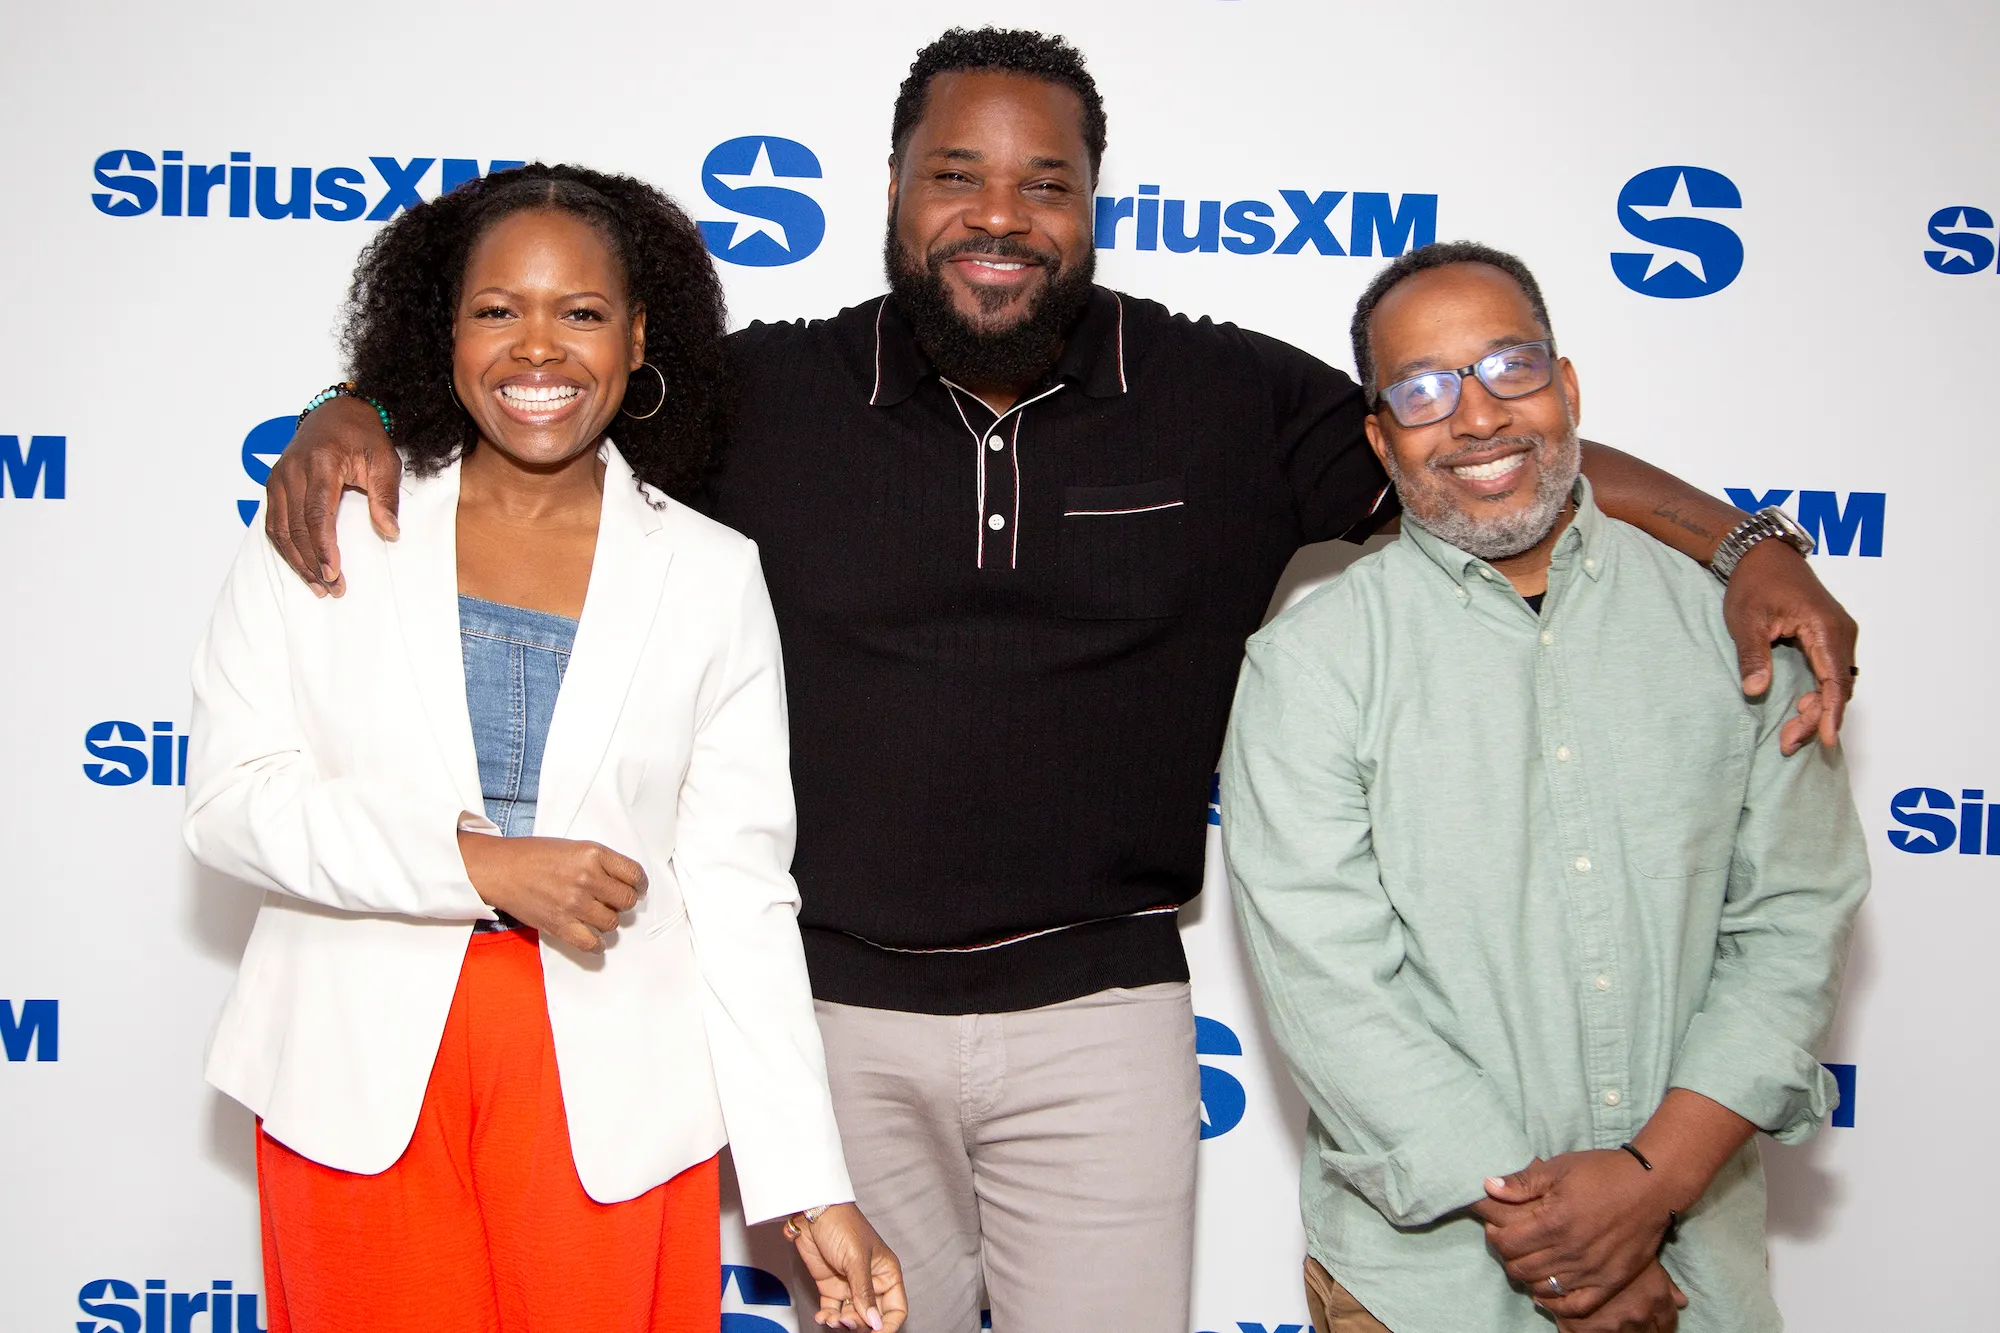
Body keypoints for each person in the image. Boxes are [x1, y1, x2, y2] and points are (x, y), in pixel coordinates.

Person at [256, 31, 1859, 1333]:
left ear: (1097, 201)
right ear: (892, 190)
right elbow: (543, 376)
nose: (999, 213)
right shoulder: (761, 398)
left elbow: (1473, 443)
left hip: (1099, 1020)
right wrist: (355, 405)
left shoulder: (1221, 392)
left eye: (1047, 179)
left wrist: (1746, 544)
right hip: (826, 1025)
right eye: (956, 174)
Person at [182, 164, 905, 1333]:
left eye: (578, 312)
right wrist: (476, 865)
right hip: (352, 1064)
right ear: (444, 330)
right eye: (496, 310)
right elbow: (229, 799)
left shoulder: (710, 573)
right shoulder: (333, 518)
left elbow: (735, 892)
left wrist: (805, 1180)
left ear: (635, 336)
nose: (538, 350)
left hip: (614, 1080)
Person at [1219, 241, 1868, 1333]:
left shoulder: (1745, 638)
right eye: (1423, 390)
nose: (1474, 418)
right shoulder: (1309, 663)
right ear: (1380, 439)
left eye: (1508, 369)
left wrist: (1651, 1182)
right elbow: (1331, 987)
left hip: (1695, 1267)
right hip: (1420, 1286)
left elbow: (1794, 921)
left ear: (1565, 390)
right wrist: (1566, 1246)